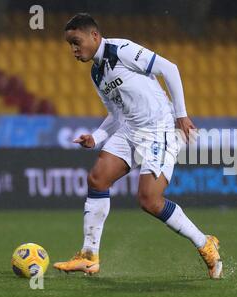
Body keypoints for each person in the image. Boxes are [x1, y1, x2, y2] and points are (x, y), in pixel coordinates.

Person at [53, 13, 222, 279]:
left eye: (76, 41)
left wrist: (181, 114)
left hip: (159, 127)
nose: (73, 49)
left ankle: (204, 243)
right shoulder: (97, 73)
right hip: (130, 128)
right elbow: (117, 114)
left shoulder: (121, 50)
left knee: (149, 200)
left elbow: (169, 69)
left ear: (94, 36)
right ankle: (89, 256)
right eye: (70, 45)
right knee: (97, 179)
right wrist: (96, 137)